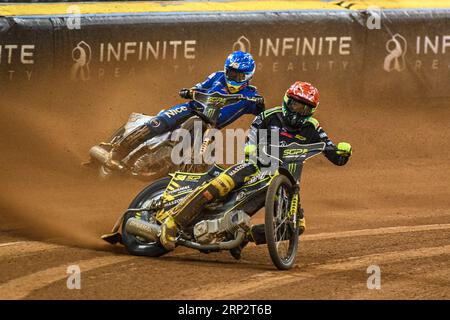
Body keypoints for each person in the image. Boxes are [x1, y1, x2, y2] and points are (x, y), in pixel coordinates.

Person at [158, 81, 353, 259]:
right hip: (255, 165)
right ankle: (174, 221)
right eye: (294, 105)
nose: (297, 112)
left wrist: (342, 152)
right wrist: (252, 148)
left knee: (296, 226)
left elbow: (332, 152)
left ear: (311, 111)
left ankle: (244, 237)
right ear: (287, 101)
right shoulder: (268, 117)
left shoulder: (312, 127)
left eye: (303, 108)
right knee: (223, 183)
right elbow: (251, 139)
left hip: (287, 179)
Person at [112, 51, 265, 161]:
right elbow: (198, 87)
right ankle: (117, 153)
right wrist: (189, 92)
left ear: (248, 76)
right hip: (192, 108)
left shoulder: (250, 95)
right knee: (158, 122)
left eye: (238, 76)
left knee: (205, 155)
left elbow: (261, 115)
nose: (233, 78)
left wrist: (259, 104)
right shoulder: (217, 76)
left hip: (210, 126)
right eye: (231, 73)